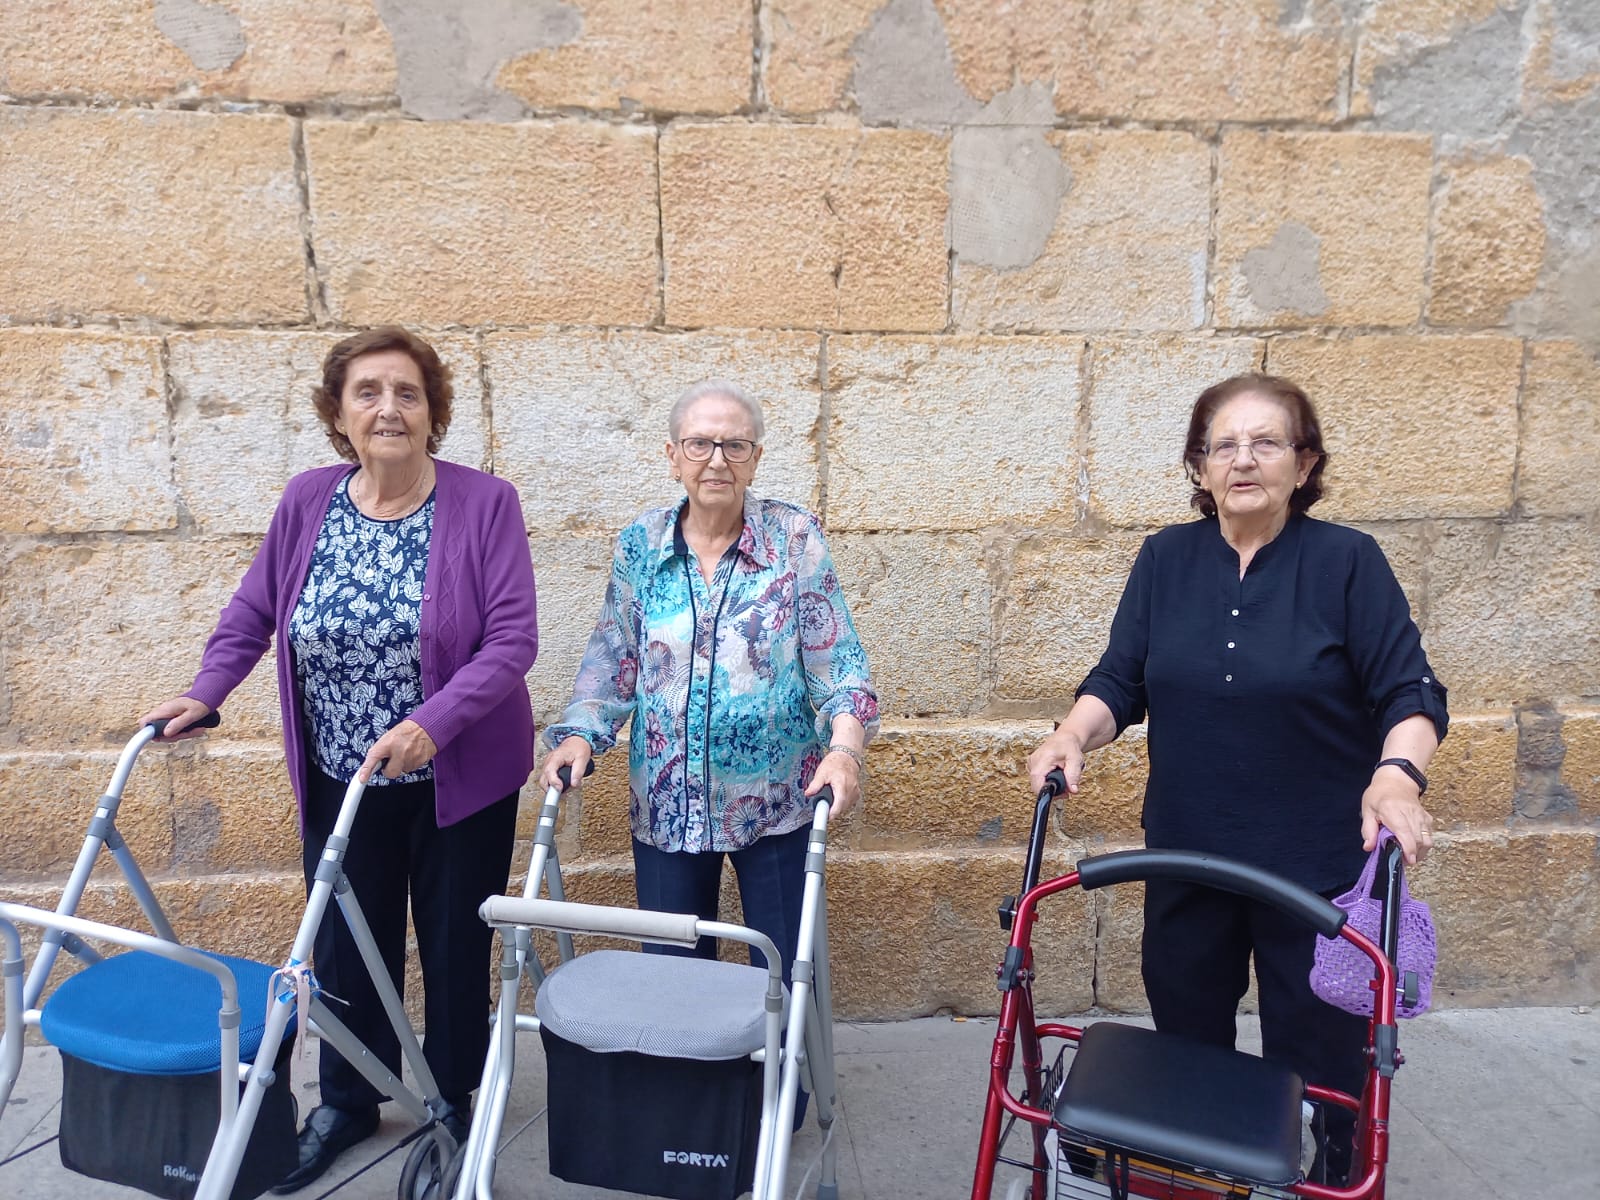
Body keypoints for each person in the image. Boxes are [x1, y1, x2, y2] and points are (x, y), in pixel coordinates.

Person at [142, 328, 538, 1193]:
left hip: (455, 777)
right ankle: (350, 1099)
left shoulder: (484, 503)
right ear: (338, 413)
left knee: (452, 945)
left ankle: (451, 1100)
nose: (388, 408)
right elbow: (252, 612)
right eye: (368, 392)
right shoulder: (307, 501)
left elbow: (511, 641)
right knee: (346, 945)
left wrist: (432, 724)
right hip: (342, 778)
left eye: (407, 393)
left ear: (432, 413)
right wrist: (206, 691)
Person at [1025, 373, 1447, 1184]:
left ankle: (1328, 1173)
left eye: (1267, 443)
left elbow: (1411, 691)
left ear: (1304, 461)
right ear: (1199, 464)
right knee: (1187, 1046)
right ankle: (1197, 1181)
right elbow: (1121, 680)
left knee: (1322, 1055)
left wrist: (1396, 778)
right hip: (1187, 856)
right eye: (1224, 444)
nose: (1243, 460)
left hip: (1315, 868)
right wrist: (1074, 732)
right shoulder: (1165, 559)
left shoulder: (1347, 563)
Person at [539, 379, 877, 1065]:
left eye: (734, 444)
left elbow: (837, 659)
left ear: (754, 457)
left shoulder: (793, 537)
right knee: (673, 982)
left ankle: (779, 1102)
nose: (716, 459)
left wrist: (844, 748)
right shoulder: (641, 545)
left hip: (780, 801)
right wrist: (580, 732)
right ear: (673, 456)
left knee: (782, 972)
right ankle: (691, 1114)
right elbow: (613, 658)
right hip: (667, 803)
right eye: (700, 443)